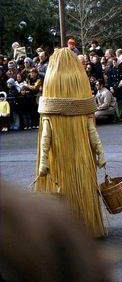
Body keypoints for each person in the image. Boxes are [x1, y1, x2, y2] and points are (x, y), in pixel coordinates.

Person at [34, 48, 106, 238]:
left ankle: (66, 227)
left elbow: (45, 140)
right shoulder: (81, 90)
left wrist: (43, 163)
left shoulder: (50, 107)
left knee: (64, 189)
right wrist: (101, 154)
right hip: (81, 157)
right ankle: (87, 223)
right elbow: (93, 133)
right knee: (82, 185)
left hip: (61, 161)